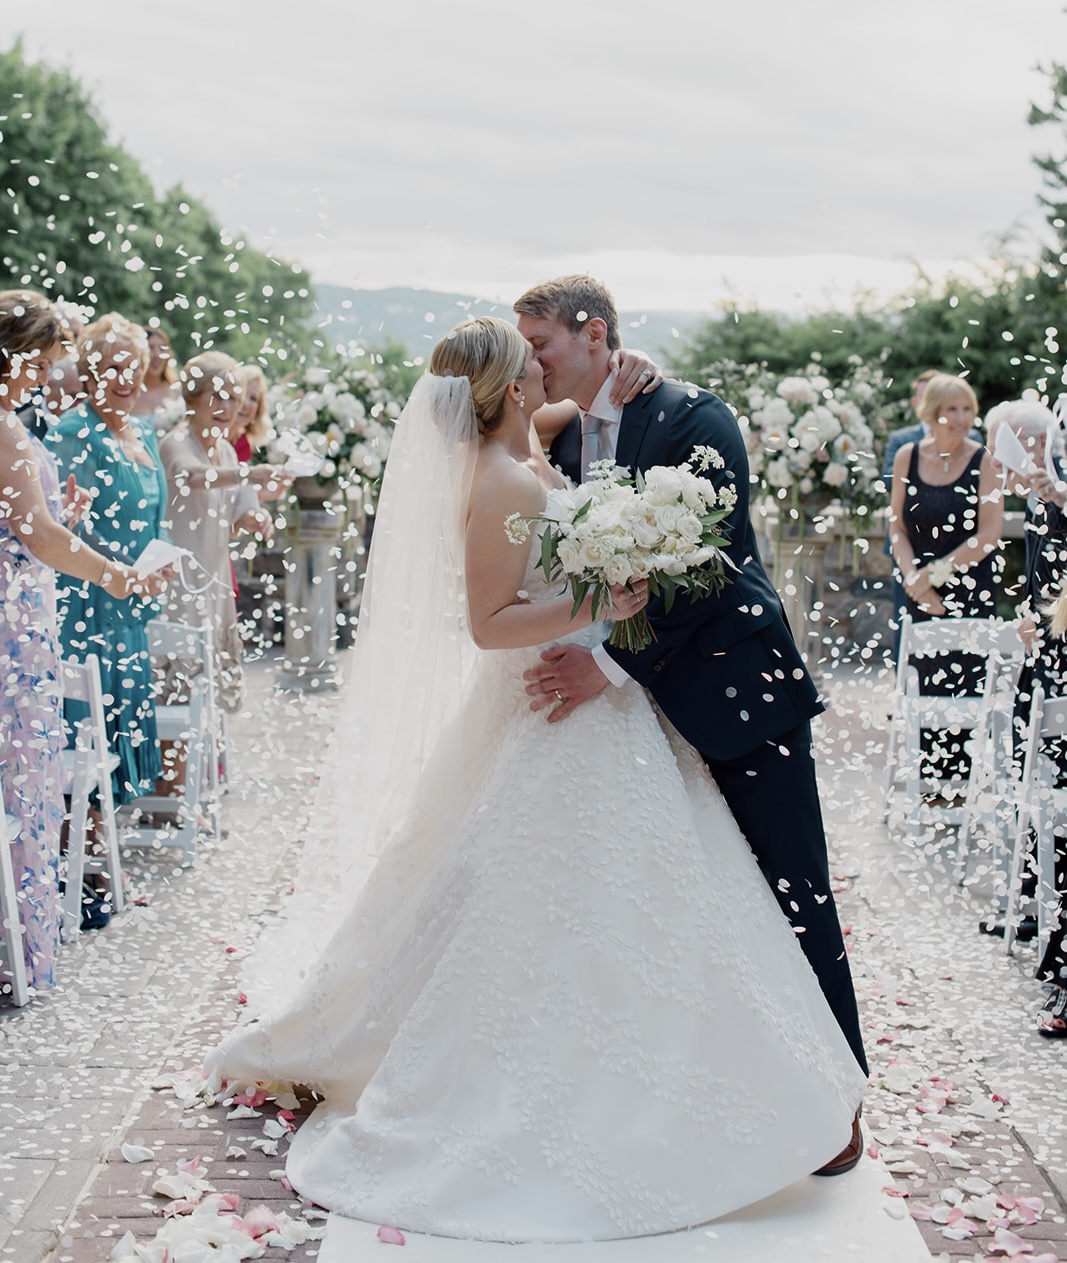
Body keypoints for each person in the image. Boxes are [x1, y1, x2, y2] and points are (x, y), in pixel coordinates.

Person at [205, 316, 866, 1241]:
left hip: (605, 710)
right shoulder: (507, 478)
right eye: (529, 362)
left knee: (646, 895)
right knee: (539, 893)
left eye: (543, 348)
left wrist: (636, 368)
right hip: (553, 704)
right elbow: (488, 620)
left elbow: (588, 396)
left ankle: (692, 1078)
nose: (542, 370)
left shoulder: (532, 445)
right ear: (510, 387)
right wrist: (606, 597)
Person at [514, 278, 867, 1121]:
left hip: (735, 690)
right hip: (632, 728)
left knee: (790, 888)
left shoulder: (689, 417)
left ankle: (837, 1101)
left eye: (541, 343)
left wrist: (609, 669)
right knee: (690, 902)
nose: (531, 359)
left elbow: (706, 571)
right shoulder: (558, 442)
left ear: (594, 334)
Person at [0, 290, 166, 989]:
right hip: (16, 624)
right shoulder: (5, 425)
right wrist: (111, 574)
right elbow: (32, 532)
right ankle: (12, 945)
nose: (43, 377)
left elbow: (29, 518)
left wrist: (59, 509)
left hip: (23, 604)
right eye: (38, 363)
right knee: (18, 776)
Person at [47, 314, 170, 804]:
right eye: (111, 367)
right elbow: (60, 526)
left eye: (133, 366)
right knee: (88, 734)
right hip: (88, 602)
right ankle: (79, 865)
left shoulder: (144, 431)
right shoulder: (75, 431)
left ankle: (98, 856)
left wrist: (161, 562)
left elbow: (157, 515)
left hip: (130, 606)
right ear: (90, 372)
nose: (125, 379)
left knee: (120, 726)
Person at [887, 372, 1002, 793]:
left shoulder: (983, 460)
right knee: (925, 680)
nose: (961, 417)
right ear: (931, 412)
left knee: (966, 685)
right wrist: (914, 579)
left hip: (969, 589)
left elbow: (989, 534)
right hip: (917, 587)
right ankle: (927, 785)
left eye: (967, 408)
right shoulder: (906, 457)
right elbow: (896, 524)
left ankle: (963, 788)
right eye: (952, 409)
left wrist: (933, 577)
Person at [160, 352, 283, 711]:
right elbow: (193, 476)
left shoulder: (229, 452)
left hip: (215, 586)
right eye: (214, 395)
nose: (225, 405)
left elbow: (243, 511)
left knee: (213, 707)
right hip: (179, 588)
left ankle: (211, 769)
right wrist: (252, 474)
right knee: (178, 706)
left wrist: (257, 519)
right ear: (191, 399)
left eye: (232, 396)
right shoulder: (176, 442)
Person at [136, 326, 183, 433]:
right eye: (150, 348)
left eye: (162, 349)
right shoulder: (128, 393)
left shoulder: (178, 391)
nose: (157, 354)